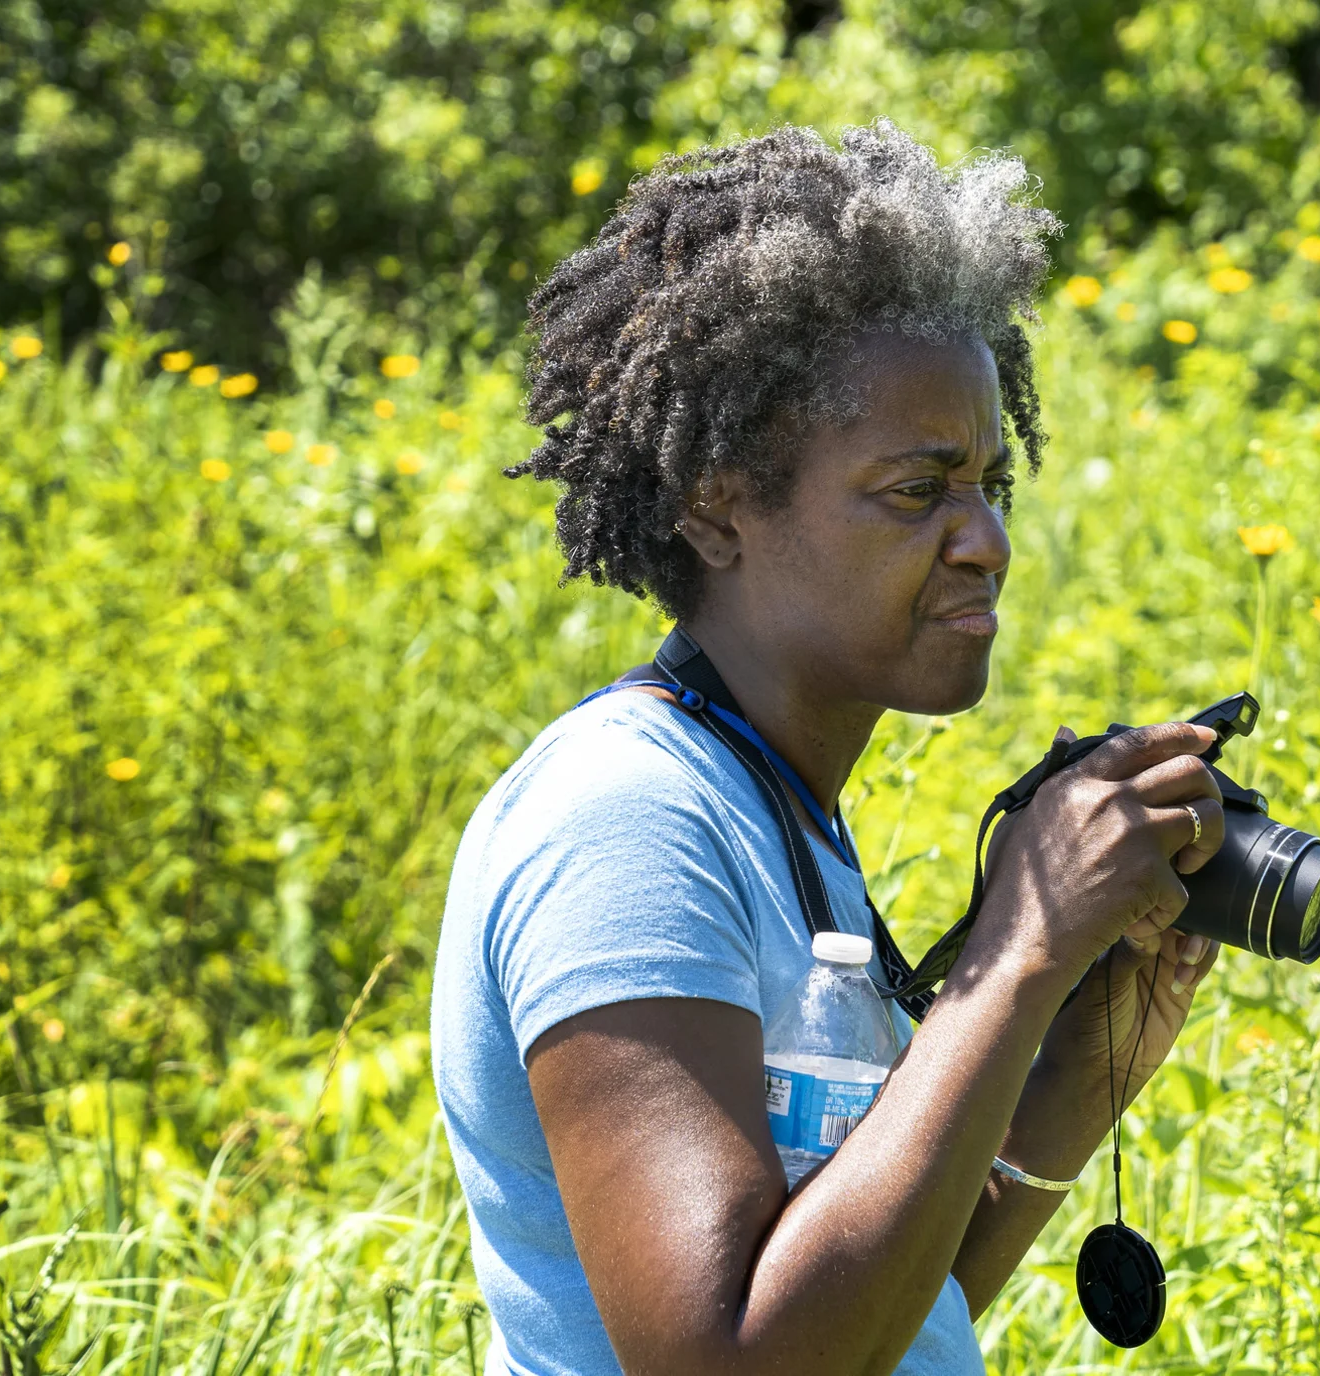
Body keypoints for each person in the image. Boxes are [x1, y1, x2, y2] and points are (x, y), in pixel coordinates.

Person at [430, 122, 1227, 1376]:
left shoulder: (771, 802)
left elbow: (879, 1308)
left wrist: (1073, 1055)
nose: (986, 541)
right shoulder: (624, 820)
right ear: (715, 500)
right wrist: (1017, 950)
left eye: (989, 484)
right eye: (919, 491)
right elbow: (728, 1358)